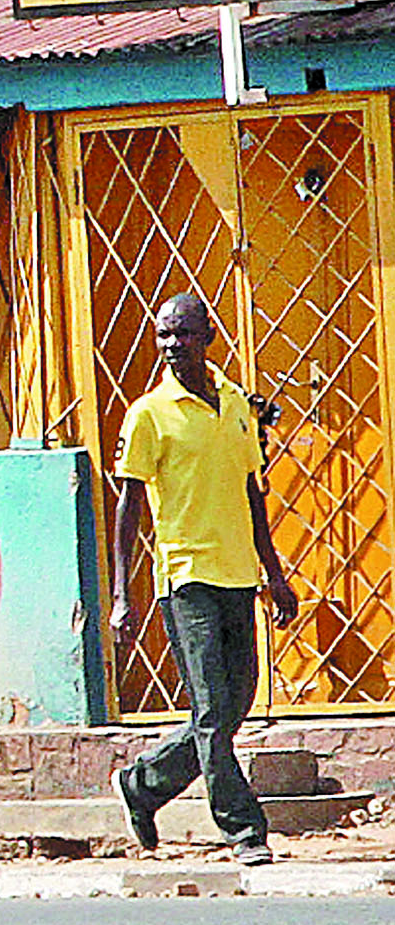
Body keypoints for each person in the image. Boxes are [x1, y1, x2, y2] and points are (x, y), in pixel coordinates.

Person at [109, 291, 301, 864]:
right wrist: (123, 593)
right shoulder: (148, 414)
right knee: (214, 707)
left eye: (183, 334)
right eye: (164, 335)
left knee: (233, 703)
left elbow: (252, 492)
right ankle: (244, 829)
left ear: (208, 336)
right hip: (186, 576)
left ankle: (143, 786)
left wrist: (276, 574)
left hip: (238, 573)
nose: (172, 345)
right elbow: (129, 504)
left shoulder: (238, 405)